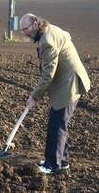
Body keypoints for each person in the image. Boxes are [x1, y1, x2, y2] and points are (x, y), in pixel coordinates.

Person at [19, 13, 90, 174]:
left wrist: (34, 97)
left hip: (69, 85)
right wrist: (42, 54)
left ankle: (52, 165)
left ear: (36, 24)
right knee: (59, 123)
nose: (24, 33)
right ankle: (62, 161)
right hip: (71, 81)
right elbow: (66, 36)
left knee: (56, 126)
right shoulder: (51, 29)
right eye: (22, 30)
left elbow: (48, 75)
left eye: (26, 29)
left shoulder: (46, 42)